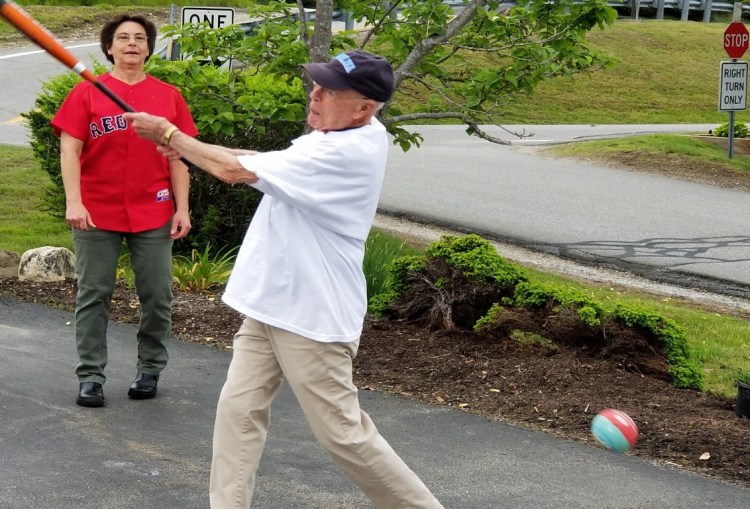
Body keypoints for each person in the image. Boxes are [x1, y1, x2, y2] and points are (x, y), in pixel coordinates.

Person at [124, 50, 445, 508]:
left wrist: (170, 133)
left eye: (330, 90)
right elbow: (262, 159)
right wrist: (188, 149)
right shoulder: (335, 134)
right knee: (239, 412)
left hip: (311, 315)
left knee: (343, 435)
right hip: (271, 305)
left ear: (364, 106)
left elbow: (235, 171)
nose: (314, 94)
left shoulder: (349, 151)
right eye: (316, 84)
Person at [51, 14, 198, 408]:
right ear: (109, 48)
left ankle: (150, 368)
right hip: (97, 211)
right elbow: (70, 149)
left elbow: (178, 157)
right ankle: (91, 376)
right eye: (122, 38)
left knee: (157, 294)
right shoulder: (87, 93)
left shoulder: (168, 96)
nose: (131, 43)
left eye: (139, 38)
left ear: (149, 48)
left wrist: (182, 207)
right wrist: (74, 200)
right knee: (93, 293)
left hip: (154, 210)